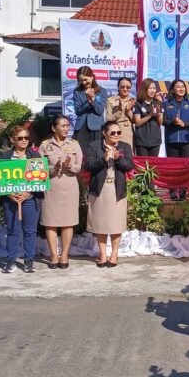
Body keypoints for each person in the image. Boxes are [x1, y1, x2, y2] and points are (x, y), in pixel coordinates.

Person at [84, 121, 133, 267]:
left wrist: (118, 159)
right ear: (104, 133)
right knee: (101, 224)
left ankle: (114, 254)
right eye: (113, 133)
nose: (116, 135)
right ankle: (103, 254)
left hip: (117, 189)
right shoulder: (93, 146)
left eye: (119, 132)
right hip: (100, 189)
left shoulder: (125, 146)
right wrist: (103, 160)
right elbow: (89, 166)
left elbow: (129, 166)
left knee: (116, 224)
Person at [0, 125, 43, 274]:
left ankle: (29, 261)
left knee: (30, 231)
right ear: (12, 140)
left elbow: (39, 180)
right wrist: (9, 193)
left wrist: (28, 193)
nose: (24, 140)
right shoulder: (4, 157)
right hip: (11, 200)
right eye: (20, 138)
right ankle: (11, 261)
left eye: (26, 137)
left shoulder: (35, 156)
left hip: (30, 199)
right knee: (12, 230)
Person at [39, 115, 83, 270]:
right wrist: (54, 167)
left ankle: (64, 254)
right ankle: (53, 255)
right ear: (54, 128)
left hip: (69, 186)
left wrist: (69, 166)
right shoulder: (45, 146)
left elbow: (79, 167)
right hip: (51, 187)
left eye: (67, 125)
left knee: (67, 222)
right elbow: (39, 169)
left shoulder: (74, 144)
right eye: (63, 125)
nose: (66, 128)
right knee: (50, 222)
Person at [163, 79, 189, 200]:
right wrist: (173, 122)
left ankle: (183, 191)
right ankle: (172, 191)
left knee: (184, 167)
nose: (181, 89)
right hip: (171, 140)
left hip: (186, 140)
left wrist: (184, 124)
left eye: (183, 87)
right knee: (173, 167)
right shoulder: (166, 103)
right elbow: (162, 121)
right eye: (178, 87)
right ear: (173, 89)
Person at [72, 65, 105, 151]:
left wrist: (93, 100)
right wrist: (88, 102)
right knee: (81, 153)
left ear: (92, 77)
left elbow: (100, 111)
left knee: (97, 153)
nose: (83, 82)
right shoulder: (77, 92)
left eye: (85, 79)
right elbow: (77, 111)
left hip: (97, 127)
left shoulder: (101, 91)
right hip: (81, 127)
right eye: (81, 80)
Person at [132, 78, 163, 157]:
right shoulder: (138, 103)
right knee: (143, 163)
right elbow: (138, 123)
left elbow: (160, 123)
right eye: (150, 88)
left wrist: (159, 112)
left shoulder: (157, 103)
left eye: (154, 88)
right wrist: (150, 115)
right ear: (144, 89)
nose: (153, 90)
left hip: (155, 140)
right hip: (141, 140)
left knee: (153, 163)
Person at [105, 77, 137, 149]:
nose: (125, 89)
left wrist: (128, 111)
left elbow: (135, 121)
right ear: (118, 87)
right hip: (115, 132)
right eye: (122, 87)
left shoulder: (133, 101)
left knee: (128, 153)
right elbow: (108, 119)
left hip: (129, 133)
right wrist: (119, 112)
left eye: (128, 87)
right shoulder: (111, 100)